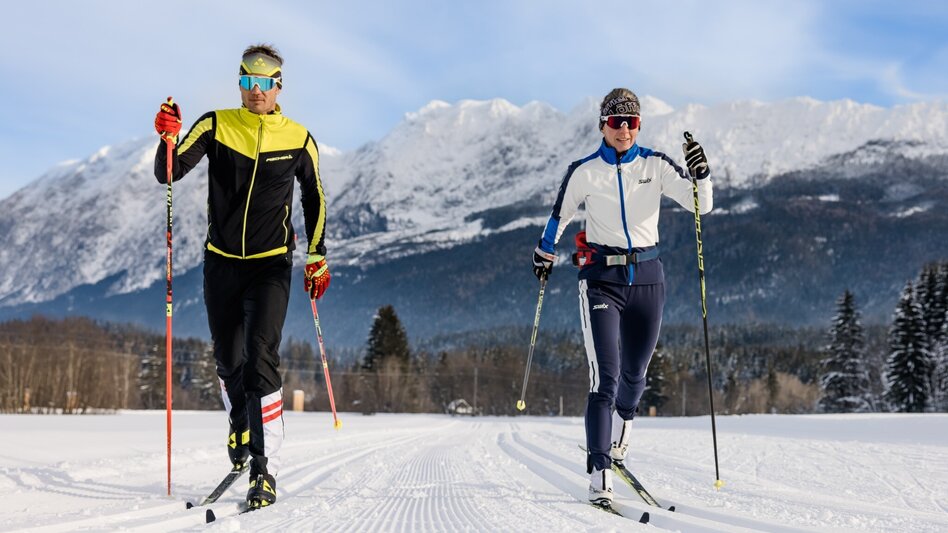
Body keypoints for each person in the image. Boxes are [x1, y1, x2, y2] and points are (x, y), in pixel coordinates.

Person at [153, 43, 330, 509]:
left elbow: (315, 199)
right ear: (240, 83)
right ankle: (239, 423)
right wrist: (167, 138)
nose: (256, 91)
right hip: (222, 262)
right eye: (248, 81)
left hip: (272, 264)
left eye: (265, 82)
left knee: (259, 357)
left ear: (278, 87)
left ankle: (263, 469)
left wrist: (317, 255)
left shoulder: (298, 137)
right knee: (229, 360)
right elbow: (168, 173)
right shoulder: (216, 125)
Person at [531, 88, 712, 506]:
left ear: (639, 125)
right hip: (601, 279)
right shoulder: (584, 171)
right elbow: (558, 215)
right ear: (603, 126)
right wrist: (544, 253)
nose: (624, 129)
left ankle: (620, 434)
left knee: (636, 375)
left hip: (649, 278)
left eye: (631, 122)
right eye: (616, 122)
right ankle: (599, 473)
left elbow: (702, 205)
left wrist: (701, 174)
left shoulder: (656, 164)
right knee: (605, 379)